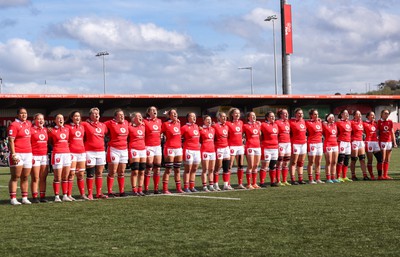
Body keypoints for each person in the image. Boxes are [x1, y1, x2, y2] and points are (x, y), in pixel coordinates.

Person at [7, 107, 33, 205]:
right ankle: (13, 198)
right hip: (17, 153)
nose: (24, 115)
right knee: (15, 176)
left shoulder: (28, 124)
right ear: (17, 115)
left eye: (25, 113)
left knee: (25, 177)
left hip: (28, 153)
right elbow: (11, 140)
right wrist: (13, 154)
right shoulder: (14, 125)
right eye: (21, 113)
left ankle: (24, 197)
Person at [82, 107, 108, 199]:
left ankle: (99, 193)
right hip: (90, 151)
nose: (96, 115)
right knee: (90, 173)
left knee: (99, 172)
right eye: (94, 113)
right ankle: (90, 193)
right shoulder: (85, 124)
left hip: (101, 151)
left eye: (98, 113)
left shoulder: (103, 125)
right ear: (90, 115)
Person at [104, 108, 129, 197]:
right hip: (114, 149)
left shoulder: (126, 123)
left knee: (121, 172)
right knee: (112, 171)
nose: (122, 116)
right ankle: (110, 191)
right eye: (120, 115)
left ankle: (121, 191)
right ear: (115, 116)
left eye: (123, 115)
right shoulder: (110, 123)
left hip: (124, 149)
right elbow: (101, 126)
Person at [48, 114, 72, 202]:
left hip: (67, 154)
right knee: (57, 177)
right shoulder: (51, 130)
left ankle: (65, 195)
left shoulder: (67, 129)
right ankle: (57, 196)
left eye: (62, 118)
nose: (60, 120)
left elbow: (69, 141)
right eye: (58, 118)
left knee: (65, 176)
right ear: (55, 120)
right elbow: (49, 142)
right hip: (57, 154)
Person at [65, 111, 88, 200]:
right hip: (72, 153)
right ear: (71, 117)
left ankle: (82, 194)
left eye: (79, 116)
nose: (77, 118)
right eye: (75, 116)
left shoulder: (82, 127)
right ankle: (69, 195)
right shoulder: (67, 127)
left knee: (81, 174)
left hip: (81, 152)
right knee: (71, 174)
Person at [161, 109, 184, 194]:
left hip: (178, 148)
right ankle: (165, 189)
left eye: (176, 113)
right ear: (169, 116)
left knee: (177, 169)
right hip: (170, 148)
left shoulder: (178, 123)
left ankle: (178, 188)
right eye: (173, 113)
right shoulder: (165, 124)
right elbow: (160, 133)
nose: (175, 114)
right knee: (168, 169)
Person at [143, 106, 163, 194]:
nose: (154, 111)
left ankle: (156, 189)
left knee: (157, 168)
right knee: (149, 168)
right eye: (152, 110)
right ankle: (146, 189)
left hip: (157, 146)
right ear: (148, 112)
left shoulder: (159, 121)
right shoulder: (145, 121)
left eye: (155, 110)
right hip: (148, 146)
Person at [30, 113, 49, 203]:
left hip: (44, 156)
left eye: (42, 119)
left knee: (43, 177)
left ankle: (42, 196)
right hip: (35, 155)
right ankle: (34, 197)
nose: (41, 121)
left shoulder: (45, 130)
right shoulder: (30, 130)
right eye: (39, 119)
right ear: (34, 120)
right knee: (35, 177)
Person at [181, 112, 201, 192]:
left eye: (195, 116)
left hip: (197, 150)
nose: (194, 118)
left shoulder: (197, 126)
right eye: (192, 116)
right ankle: (186, 187)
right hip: (188, 150)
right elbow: (179, 137)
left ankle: (192, 186)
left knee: (194, 169)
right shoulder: (184, 127)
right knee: (187, 169)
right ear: (188, 118)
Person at [128, 112, 146, 196]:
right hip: (134, 149)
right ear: (133, 118)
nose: (140, 117)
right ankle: (134, 189)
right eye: (138, 116)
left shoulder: (143, 126)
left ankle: (140, 189)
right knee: (135, 171)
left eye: (141, 116)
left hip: (143, 150)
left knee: (142, 171)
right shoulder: (129, 126)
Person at [212, 111, 232, 190]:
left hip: (226, 148)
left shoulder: (226, 126)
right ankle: (215, 184)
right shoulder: (215, 126)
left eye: (225, 116)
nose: (224, 118)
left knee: (226, 166)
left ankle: (225, 185)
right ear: (218, 118)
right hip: (218, 148)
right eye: (222, 116)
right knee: (218, 166)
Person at [226, 108, 245, 189]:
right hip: (232, 146)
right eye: (236, 113)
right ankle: (228, 184)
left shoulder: (241, 122)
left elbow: (243, 133)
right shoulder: (228, 123)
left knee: (240, 165)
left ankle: (240, 184)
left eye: (239, 113)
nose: (237, 115)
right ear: (232, 114)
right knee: (229, 166)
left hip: (240, 146)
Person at [243, 112, 262, 189]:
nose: (254, 117)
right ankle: (248, 184)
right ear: (248, 117)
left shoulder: (258, 125)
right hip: (250, 146)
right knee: (250, 165)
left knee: (256, 165)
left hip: (258, 146)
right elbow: (241, 135)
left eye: (254, 115)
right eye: (252, 116)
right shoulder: (245, 126)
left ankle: (254, 183)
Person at [260, 111, 279, 187]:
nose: (273, 117)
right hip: (266, 148)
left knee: (273, 165)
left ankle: (272, 182)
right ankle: (262, 182)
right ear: (267, 117)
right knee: (265, 165)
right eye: (271, 116)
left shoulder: (276, 125)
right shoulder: (263, 125)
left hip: (275, 148)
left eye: (273, 116)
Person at [305, 109, 324, 184]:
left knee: (318, 162)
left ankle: (318, 179)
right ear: (311, 115)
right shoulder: (307, 123)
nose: (317, 116)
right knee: (311, 161)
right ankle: (310, 179)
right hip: (312, 143)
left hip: (319, 143)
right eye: (315, 114)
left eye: (317, 114)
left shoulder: (320, 122)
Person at [377, 109, 397, 179]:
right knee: (382, 159)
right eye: (385, 113)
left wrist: (394, 142)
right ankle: (380, 175)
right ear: (381, 114)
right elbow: (377, 132)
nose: (386, 115)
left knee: (387, 160)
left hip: (389, 142)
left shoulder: (390, 121)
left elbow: (392, 132)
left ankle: (385, 175)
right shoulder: (379, 122)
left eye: (388, 113)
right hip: (382, 142)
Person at [289, 108, 307, 185]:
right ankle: (293, 179)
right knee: (293, 162)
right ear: (295, 114)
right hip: (295, 144)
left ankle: (300, 179)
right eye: (299, 113)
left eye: (301, 113)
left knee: (301, 162)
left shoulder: (304, 121)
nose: (300, 115)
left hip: (303, 144)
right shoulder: (291, 122)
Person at [350, 110, 368, 180]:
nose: (360, 115)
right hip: (354, 141)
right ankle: (353, 175)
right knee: (354, 159)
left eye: (360, 114)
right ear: (354, 115)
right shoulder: (351, 122)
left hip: (361, 141)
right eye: (358, 114)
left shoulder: (361, 122)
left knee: (362, 159)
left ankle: (365, 175)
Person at [199, 115, 216, 191]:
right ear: (204, 121)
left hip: (212, 151)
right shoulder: (201, 129)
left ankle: (211, 185)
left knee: (211, 169)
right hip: (205, 150)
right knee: (205, 169)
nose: (209, 121)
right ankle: (204, 186)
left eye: (210, 119)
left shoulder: (213, 129)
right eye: (207, 119)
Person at [322, 113, 340, 183]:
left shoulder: (335, 125)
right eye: (330, 117)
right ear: (327, 118)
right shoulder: (325, 125)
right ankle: (328, 177)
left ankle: (333, 177)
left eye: (333, 117)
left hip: (335, 144)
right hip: (328, 144)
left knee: (334, 161)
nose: (332, 118)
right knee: (328, 161)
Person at [336, 109, 353, 182]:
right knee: (341, 159)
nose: (347, 114)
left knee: (347, 159)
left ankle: (344, 176)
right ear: (342, 114)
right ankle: (338, 176)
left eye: (348, 113)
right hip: (342, 142)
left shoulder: (349, 122)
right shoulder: (338, 122)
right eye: (345, 113)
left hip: (348, 142)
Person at [275, 109, 291, 186]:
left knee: (286, 162)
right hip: (281, 144)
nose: (286, 115)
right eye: (284, 113)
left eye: (287, 113)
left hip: (288, 143)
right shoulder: (277, 122)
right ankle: (278, 181)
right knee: (280, 162)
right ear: (280, 115)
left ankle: (285, 180)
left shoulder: (288, 122)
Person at [363, 111, 380, 180]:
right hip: (368, 142)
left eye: (374, 115)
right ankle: (371, 175)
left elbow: (378, 131)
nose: (373, 116)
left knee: (380, 158)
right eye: (371, 115)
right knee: (370, 160)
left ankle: (380, 175)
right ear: (368, 116)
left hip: (375, 142)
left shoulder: (376, 123)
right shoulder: (364, 123)